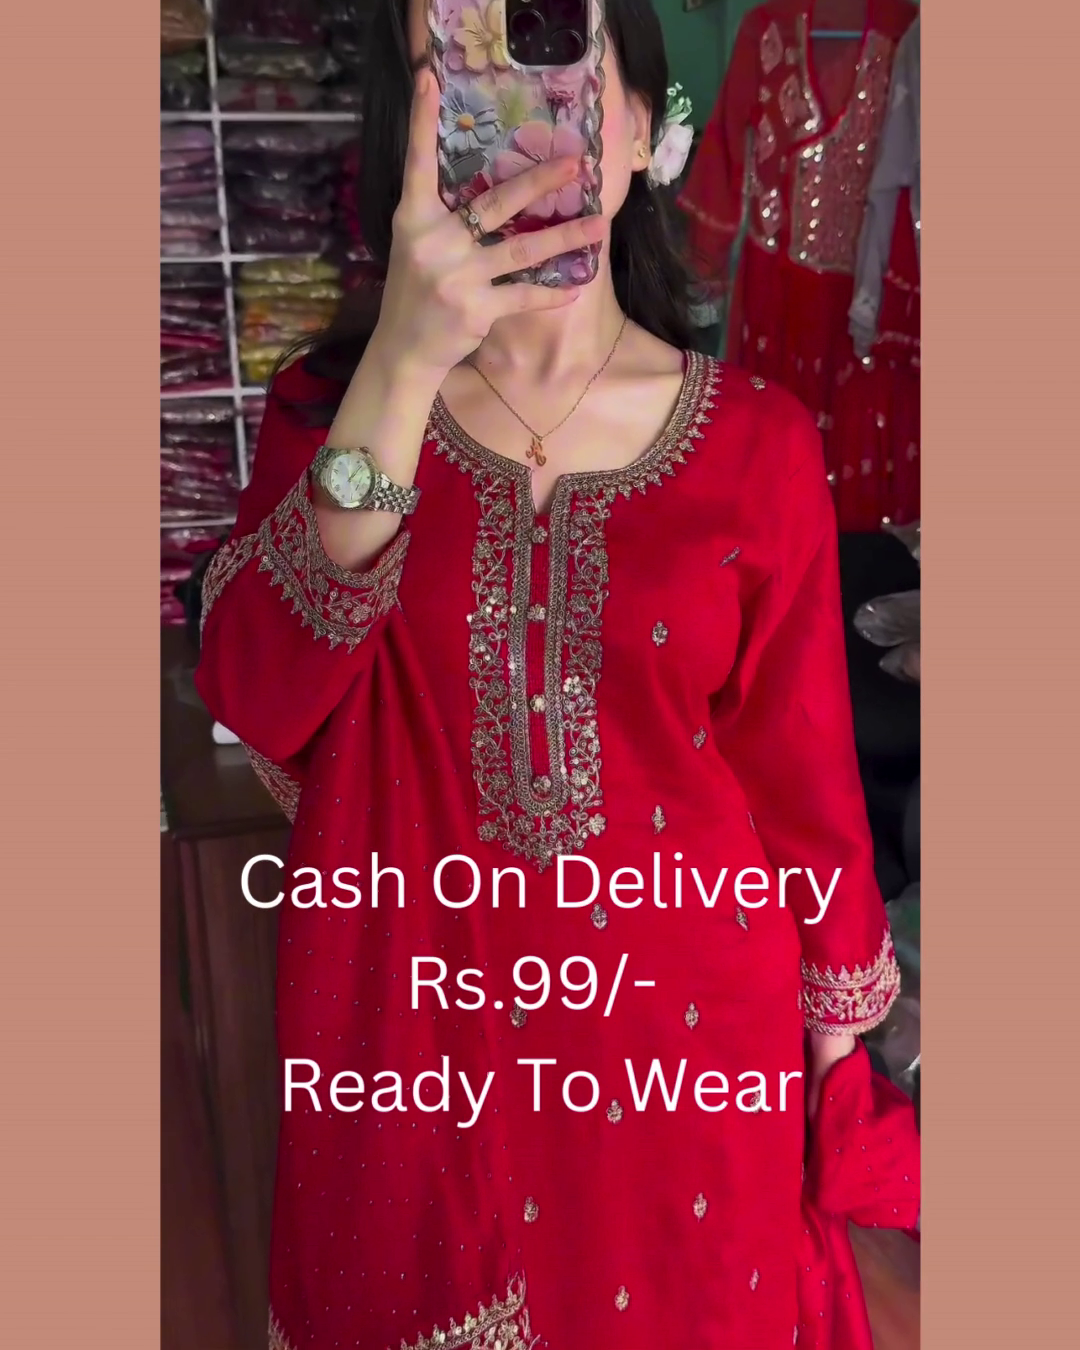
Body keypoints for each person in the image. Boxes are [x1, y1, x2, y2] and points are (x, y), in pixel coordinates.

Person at [195, 2, 905, 1346]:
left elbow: (801, 775)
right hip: (419, 1051)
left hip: (693, 1053)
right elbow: (255, 691)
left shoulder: (759, 442)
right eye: (452, 72)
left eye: (552, 66)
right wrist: (404, 363)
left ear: (635, 126)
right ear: (412, 139)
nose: (511, 115)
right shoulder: (340, 413)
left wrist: (830, 1059)